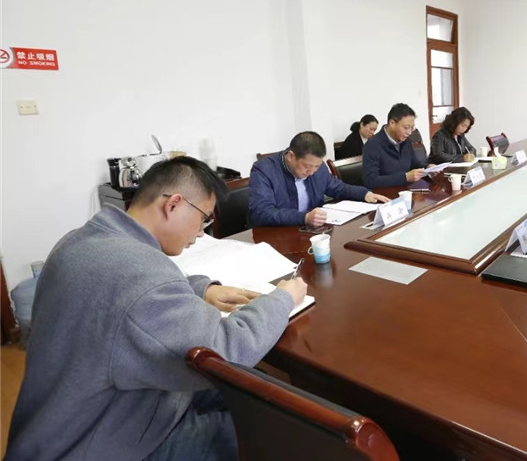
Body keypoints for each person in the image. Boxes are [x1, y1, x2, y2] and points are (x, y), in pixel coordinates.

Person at [6, 157, 308, 461]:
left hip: (64, 422)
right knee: (271, 428)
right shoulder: (141, 273)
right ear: (173, 204)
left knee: (257, 393)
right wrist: (282, 299)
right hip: (100, 441)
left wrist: (202, 288)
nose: (201, 233)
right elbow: (225, 352)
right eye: (203, 218)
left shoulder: (82, 241)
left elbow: (126, 296)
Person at [249, 131, 389, 227]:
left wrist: (365, 194)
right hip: (277, 236)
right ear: (291, 156)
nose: (311, 172)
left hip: (312, 232)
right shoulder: (264, 170)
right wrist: (304, 217)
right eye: (307, 166)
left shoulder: (317, 167)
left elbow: (337, 187)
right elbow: (262, 212)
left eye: (316, 167)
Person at [362, 103, 428, 189]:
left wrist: (428, 168)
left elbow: (415, 164)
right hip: (384, 194)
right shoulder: (373, 144)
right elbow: (370, 181)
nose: (409, 132)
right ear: (392, 123)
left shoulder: (406, 141)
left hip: (406, 191)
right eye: (406, 127)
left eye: (412, 128)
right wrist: (405, 177)